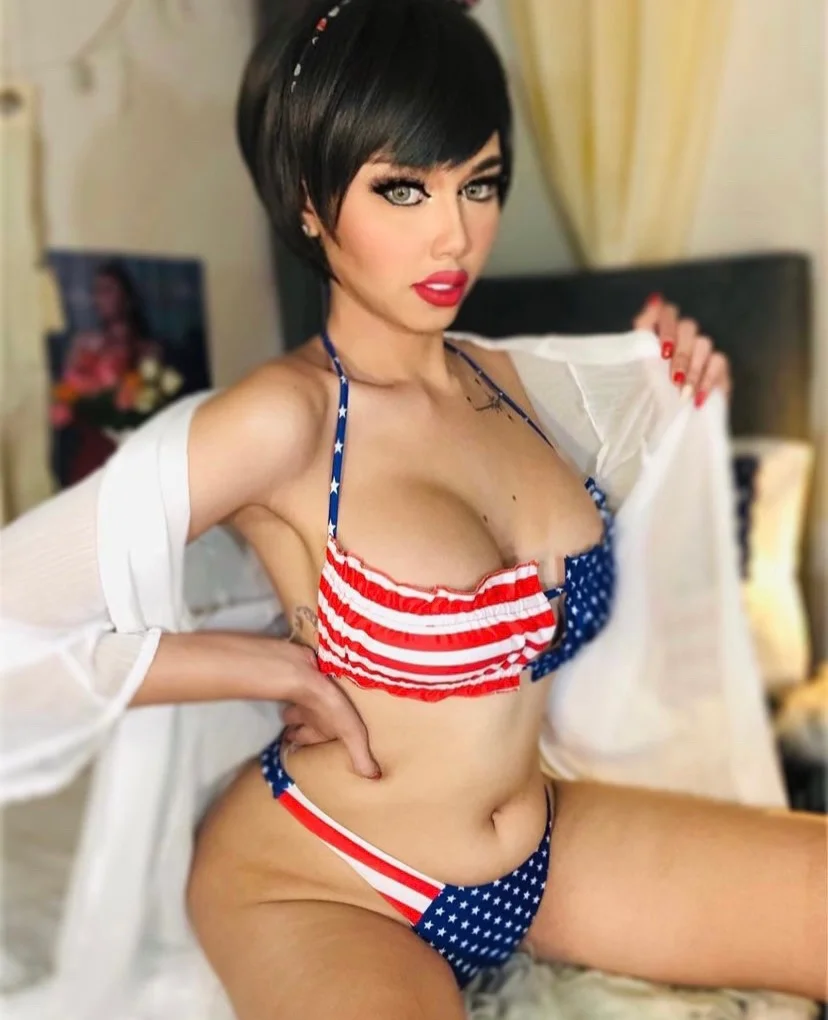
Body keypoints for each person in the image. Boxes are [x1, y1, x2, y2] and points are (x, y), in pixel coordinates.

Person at [1, 1, 823, 1018]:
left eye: (479, 182)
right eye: (403, 189)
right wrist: (260, 666)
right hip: (321, 877)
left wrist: (675, 382)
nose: (455, 235)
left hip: (538, 846)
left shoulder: (517, 387)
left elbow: (646, 461)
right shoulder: (284, 422)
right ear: (309, 204)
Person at [54, 260, 162, 485]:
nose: (100, 298)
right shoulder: (83, 343)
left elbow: (150, 399)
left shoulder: (146, 349)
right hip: (89, 446)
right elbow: (65, 393)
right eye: (96, 291)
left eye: (107, 290)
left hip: (133, 447)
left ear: (126, 297)